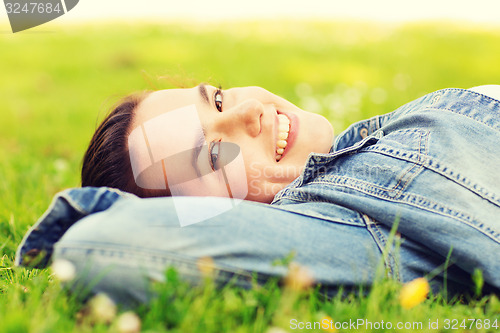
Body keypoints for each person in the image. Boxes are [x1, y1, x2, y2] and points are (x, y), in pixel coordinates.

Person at [16, 84, 500, 306]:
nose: (249, 111)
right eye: (212, 157)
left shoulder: (366, 149)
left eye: (219, 99)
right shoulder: (356, 235)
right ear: (217, 219)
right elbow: (103, 247)